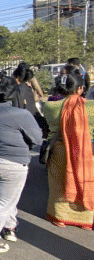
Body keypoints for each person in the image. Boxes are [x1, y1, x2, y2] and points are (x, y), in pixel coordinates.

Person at [0, 77, 42, 253]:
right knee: (3, 201)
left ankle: (10, 228)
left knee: (3, 198)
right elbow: (36, 139)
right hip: (12, 164)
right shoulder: (21, 114)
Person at [42, 74, 94, 229]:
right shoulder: (91, 107)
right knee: (83, 180)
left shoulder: (49, 106)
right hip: (85, 151)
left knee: (58, 183)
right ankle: (84, 220)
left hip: (59, 149)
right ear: (80, 89)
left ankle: (59, 217)